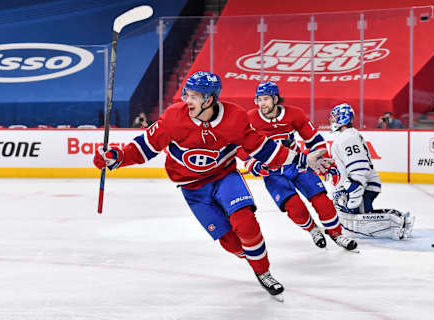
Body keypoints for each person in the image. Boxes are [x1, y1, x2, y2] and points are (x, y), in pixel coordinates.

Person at [93, 71, 330, 299]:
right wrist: (117, 158)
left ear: (210, 99)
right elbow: (144, 147)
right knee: (232, 244)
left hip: (224, 177)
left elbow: (263, 148)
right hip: (192, 188)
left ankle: (263, 271)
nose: (187, 100)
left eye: (194, 96)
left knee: (245, 221)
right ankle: (251, 257)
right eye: (186, 94)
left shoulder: (235, 118)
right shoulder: (173, 118)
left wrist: (302, 159)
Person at [239, 81, 358, 251]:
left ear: (275, 99)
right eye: (259, 99)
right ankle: (313, 230)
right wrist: (251, 162)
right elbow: (238, 145)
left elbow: (315, 140)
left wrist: (318, 156)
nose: (261, 103)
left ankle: (336, 234)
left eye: (265, 99)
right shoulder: (250, 118)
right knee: (294, 207)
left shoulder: (294, 114)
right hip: (272, 172)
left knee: (322, 200)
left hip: (297, 165)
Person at [329, 103, 415, 240]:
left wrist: (353, 191)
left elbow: (359, 168)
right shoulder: (349, 135)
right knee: (358, 217)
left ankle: (397, 223)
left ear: (343, 118)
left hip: (361, 186)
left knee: (357, 220)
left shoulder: (348, 137)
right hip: (364, 184)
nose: (332, 119)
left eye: (334, 116)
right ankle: (398, 220)